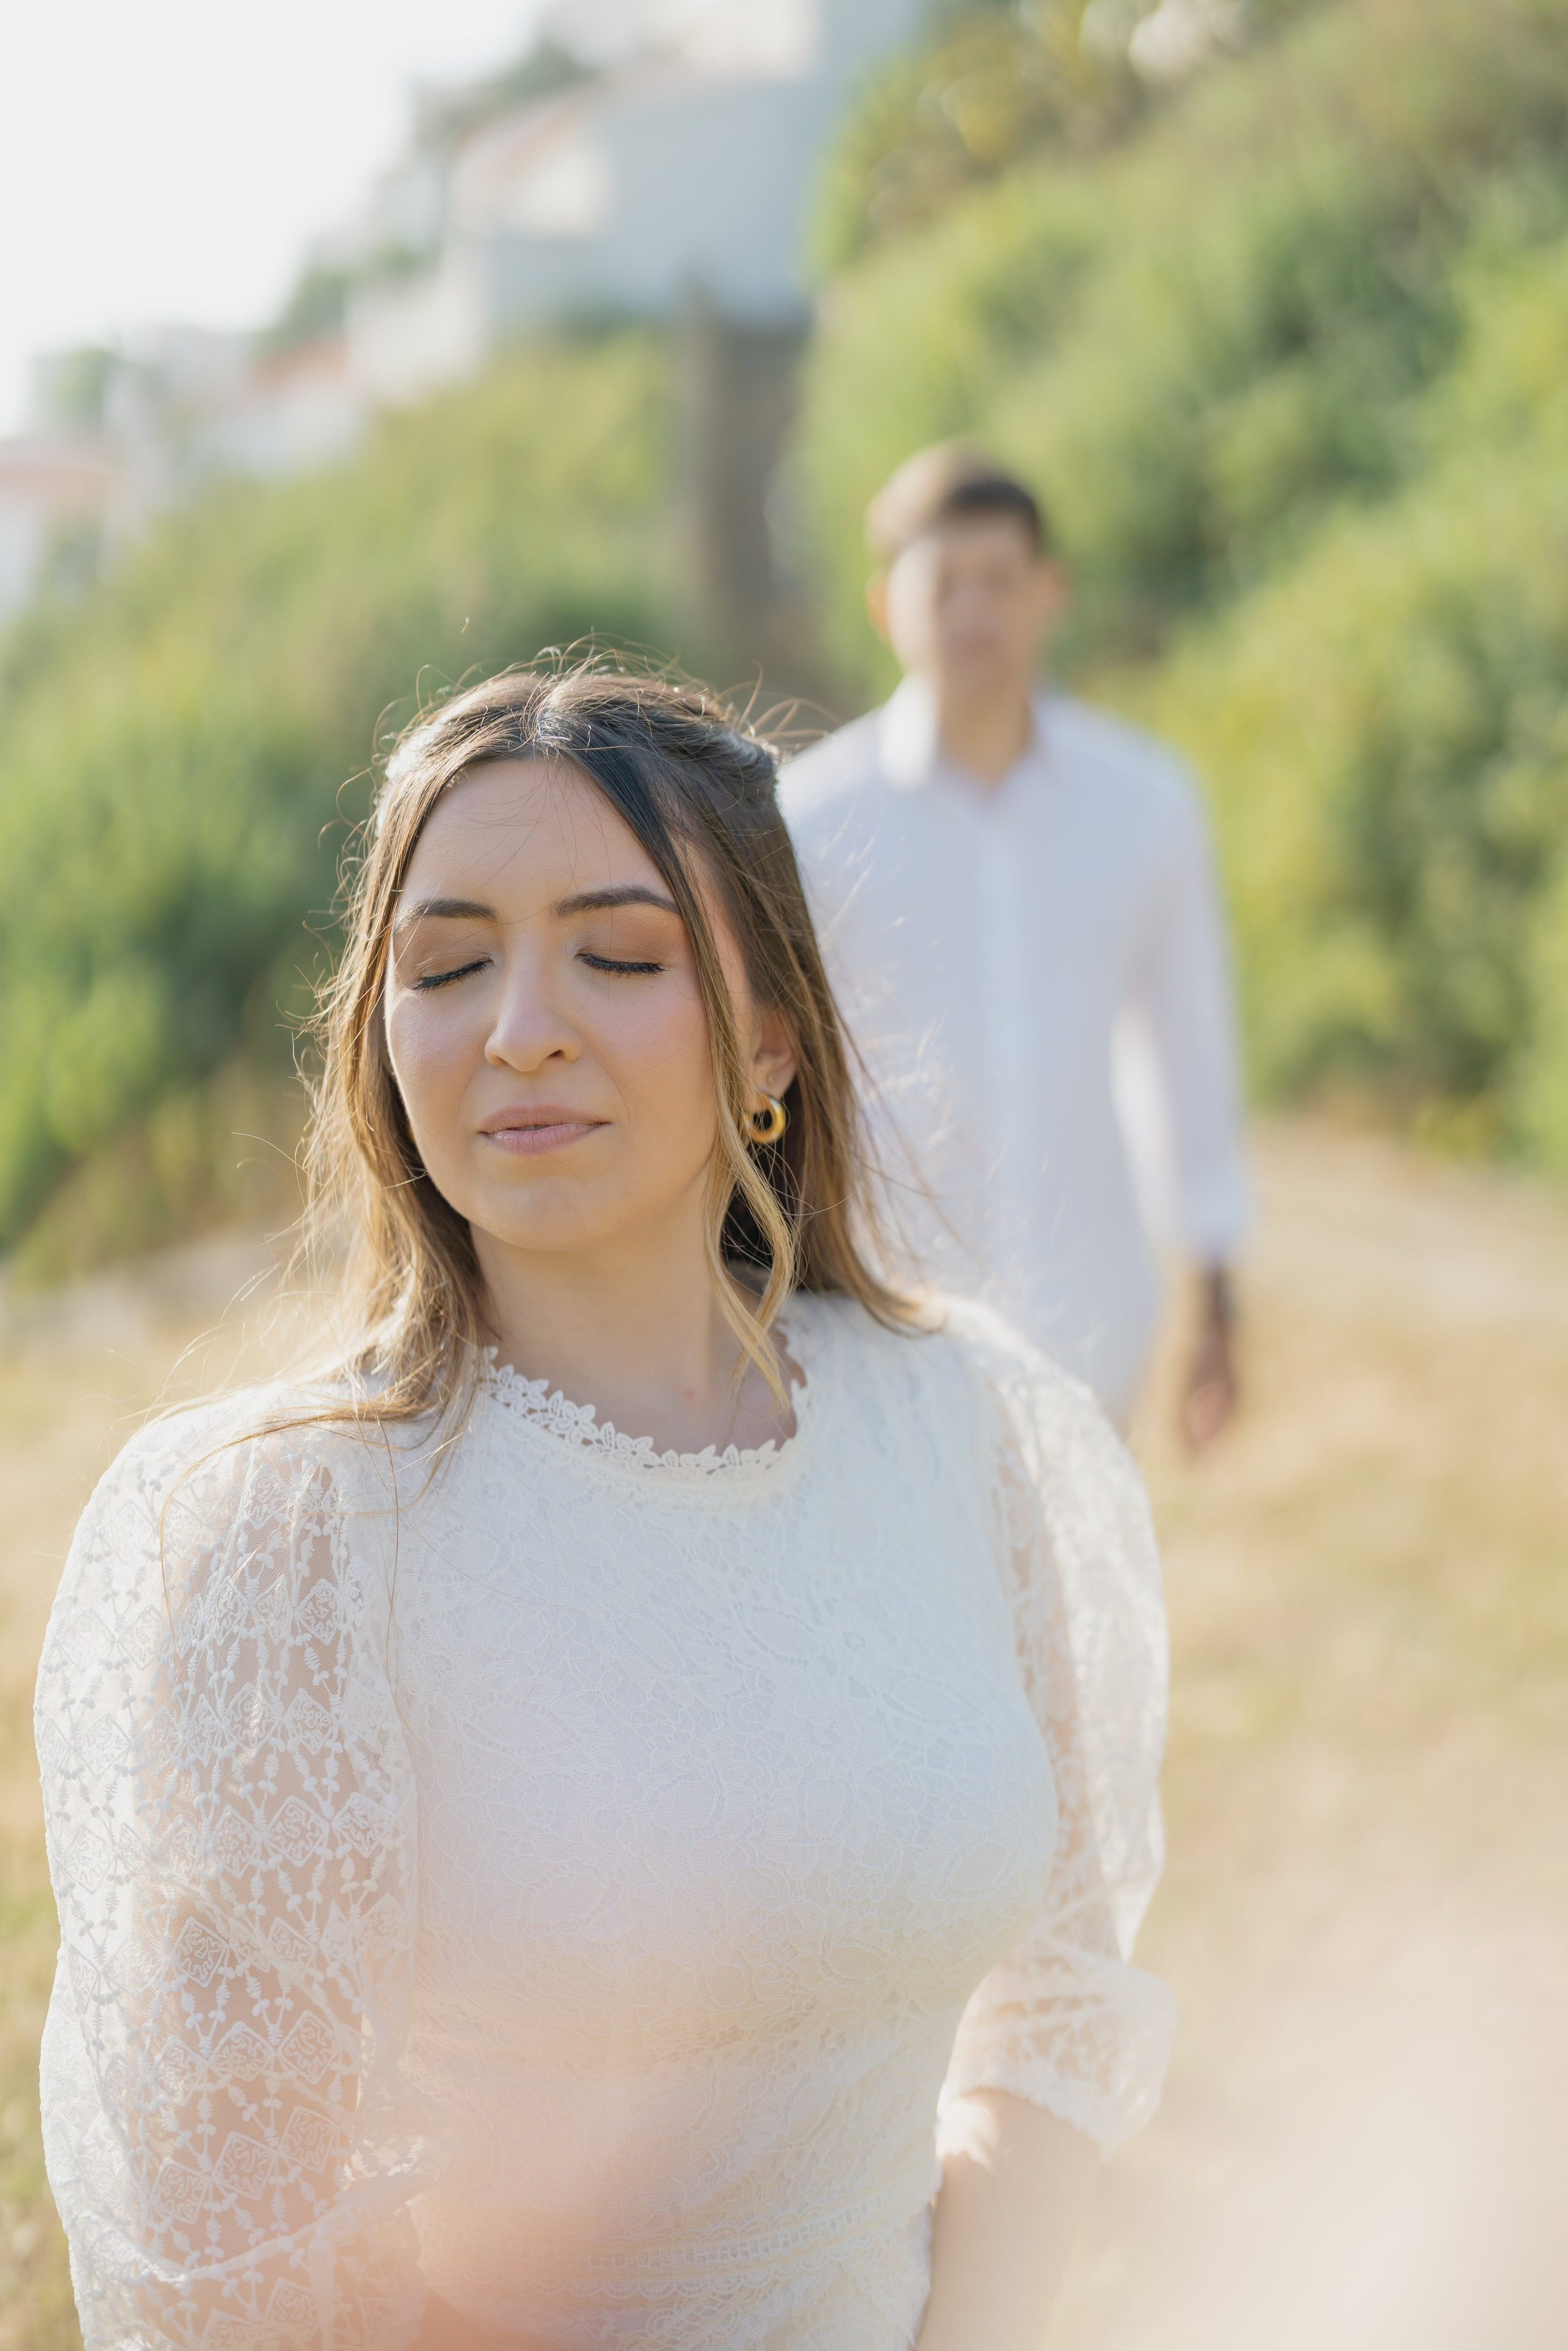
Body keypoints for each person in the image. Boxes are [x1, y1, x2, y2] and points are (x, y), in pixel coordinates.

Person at [36, 665, 1172, 2351]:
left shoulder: (972, 1424)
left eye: (619, 953)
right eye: (448, 963)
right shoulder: (284, 1535)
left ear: (773, 1034)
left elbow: (1061, 1997)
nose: (520, 1027)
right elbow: (232, 2255)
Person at [781, 444, 1248, 1441]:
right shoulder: (811, 822)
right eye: (944, 582)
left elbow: (1185, 1049)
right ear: (885, 605)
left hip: (1093, 1317)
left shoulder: (1146, 804)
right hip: (877, 1330)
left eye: (999, 580)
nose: (973, 610)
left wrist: (1216, 1290)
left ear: (1050, 594)